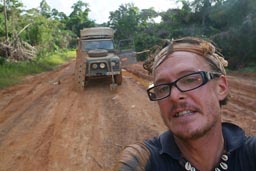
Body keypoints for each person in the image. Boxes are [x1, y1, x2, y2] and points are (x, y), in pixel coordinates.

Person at [114, 37, 256, 171]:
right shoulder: (146, 160)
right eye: (163, 88)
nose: (174, 96)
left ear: (221, 88)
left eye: (190, 80)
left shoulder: (250, 154)